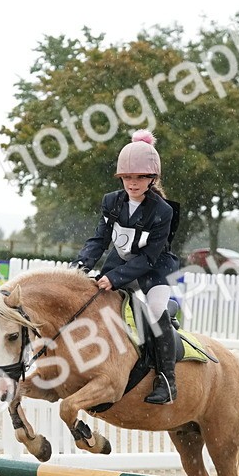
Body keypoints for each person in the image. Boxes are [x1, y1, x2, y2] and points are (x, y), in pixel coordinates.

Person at [71, 130, 181, 404]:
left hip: (153, 269)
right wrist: (80, 266)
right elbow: (99, 239)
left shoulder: (163, 211)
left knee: (155, 310)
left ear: (152, 179)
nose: (133, 183)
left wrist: (115, 277)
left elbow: (148, 258)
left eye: (141, 177)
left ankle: (167, 381)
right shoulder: (112, 201)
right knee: (95, 301)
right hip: (120, 262)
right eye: (128, 177)